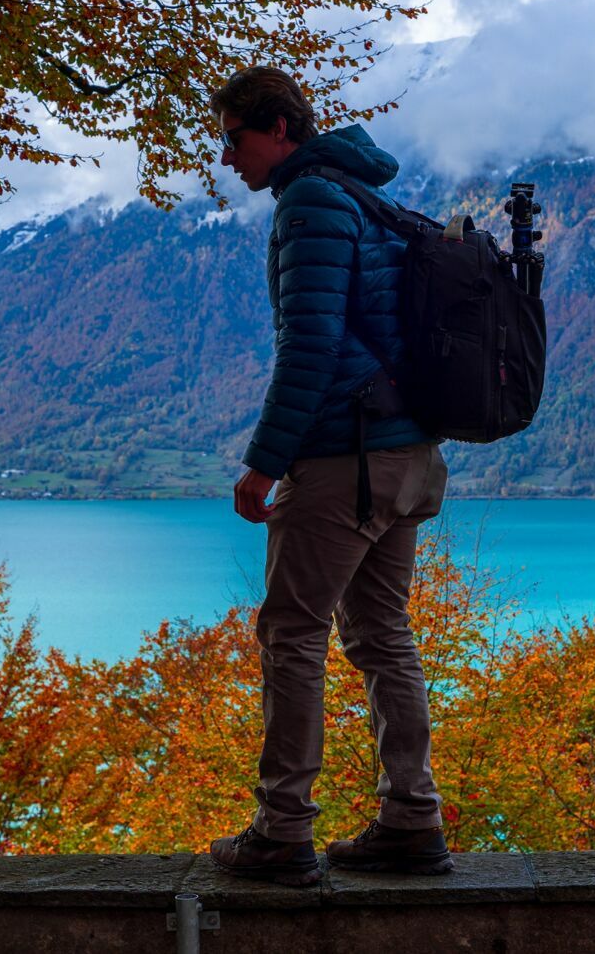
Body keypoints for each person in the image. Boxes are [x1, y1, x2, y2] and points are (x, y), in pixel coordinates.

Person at [205, 65, 452, 887]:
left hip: (344, 459)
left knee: (292, 633)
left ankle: (282, 833)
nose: (229, 158)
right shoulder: (368, 198)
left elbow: (307, 347)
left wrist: (263, 463)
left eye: (235, 139)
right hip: (409, 458)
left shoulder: (310, 203)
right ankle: (412, 820)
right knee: (384, 635)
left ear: (278, 128)